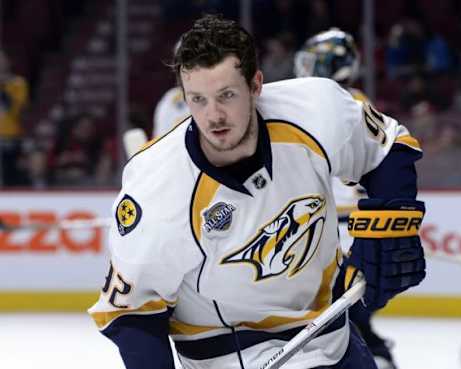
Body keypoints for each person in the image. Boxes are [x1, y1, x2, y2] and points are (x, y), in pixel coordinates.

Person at [89, 14, 426, 369]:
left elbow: (387, 149)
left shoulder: (314, 109)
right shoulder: (154, 185)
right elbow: (131, 316)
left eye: (227, 95)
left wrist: (390, 227)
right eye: (198, 100)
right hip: (229, 356)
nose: (213, 115)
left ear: (256, 85)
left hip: (333, 340)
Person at [294, 28, 400, 369]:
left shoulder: (333, 105)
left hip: (337, 235)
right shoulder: (352, 102)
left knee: (345, 326)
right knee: (349, 324)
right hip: (342, 232)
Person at [0, 49, 29, 186]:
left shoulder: (18, 83)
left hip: (10, 137)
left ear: (8, 62)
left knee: (10, 175)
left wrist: (3, 86)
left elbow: (15, 109)